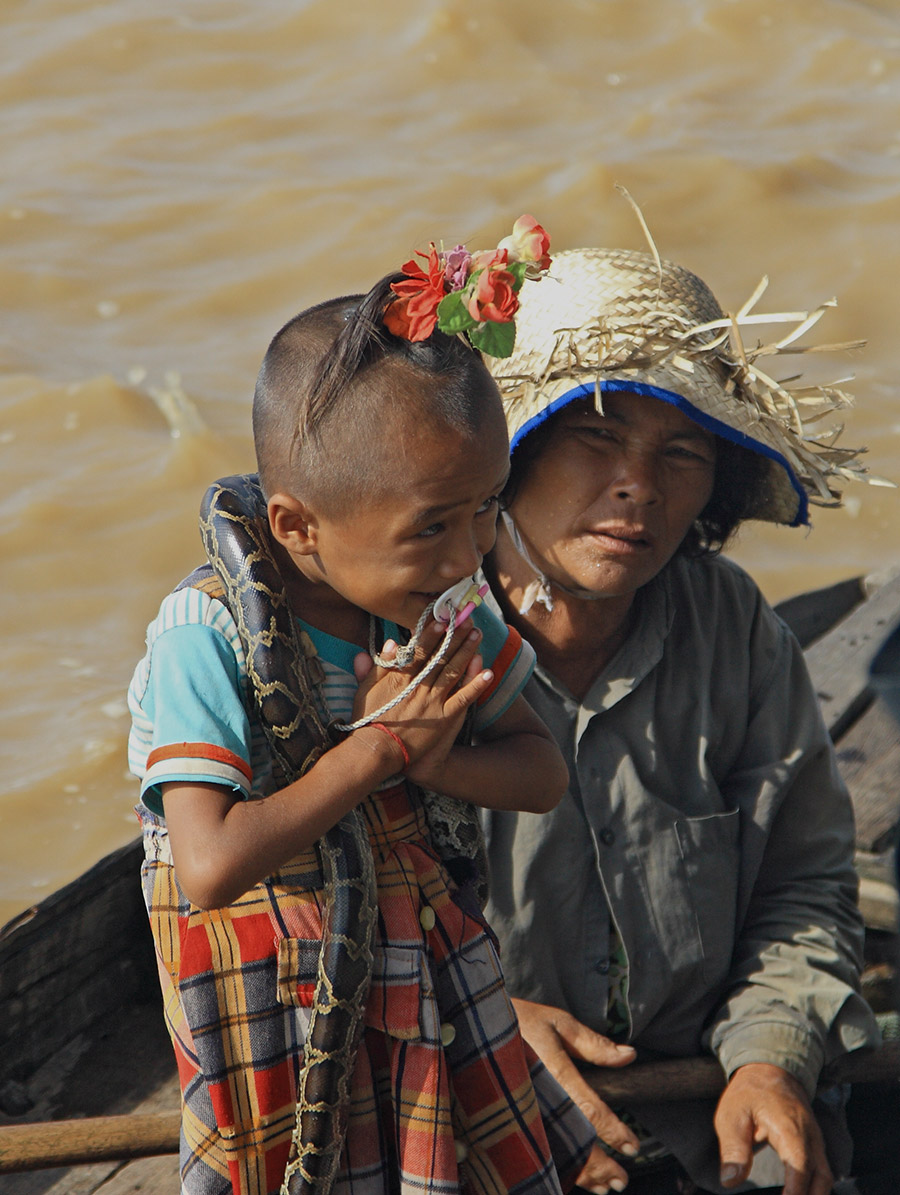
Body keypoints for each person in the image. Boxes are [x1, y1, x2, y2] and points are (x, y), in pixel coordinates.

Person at [127, 221, 595, 1195]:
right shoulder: (204, 633)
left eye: (486, 509)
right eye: (432, 524)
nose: (471, 554)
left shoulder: (444, 604)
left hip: (408, 948)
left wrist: (436, 758)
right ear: (294, 525)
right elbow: (209, 864)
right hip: (263, 974)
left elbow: (542, 772)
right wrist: (381, 749)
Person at [472, 245, 882, 1195]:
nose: (639, 486)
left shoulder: (730, 626)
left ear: (710, 489)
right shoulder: (409, 648)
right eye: (597, 439)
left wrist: (771, 1053)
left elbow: (805, 882)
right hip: (487, 1123)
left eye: (681, 454)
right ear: (511, 452)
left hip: (707, 1121)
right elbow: (332, 933)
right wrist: (487, 1023)